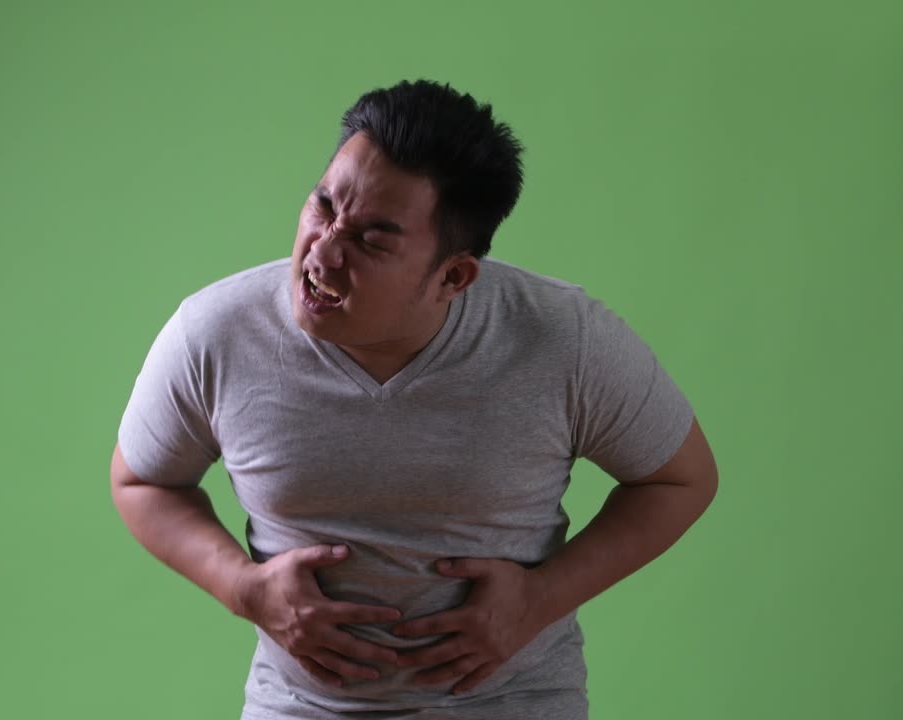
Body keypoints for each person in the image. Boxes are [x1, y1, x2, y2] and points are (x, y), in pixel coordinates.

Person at [110, 79, 719, 719]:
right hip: (301, 706)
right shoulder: (215, 332)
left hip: (513, 703)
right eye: (323, 204)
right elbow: (141, 483)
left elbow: (681, 479)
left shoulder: (564, 340)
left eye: (372, 241)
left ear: (453, 276)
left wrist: (540, 600)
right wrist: (242, 588)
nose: (322, 253)